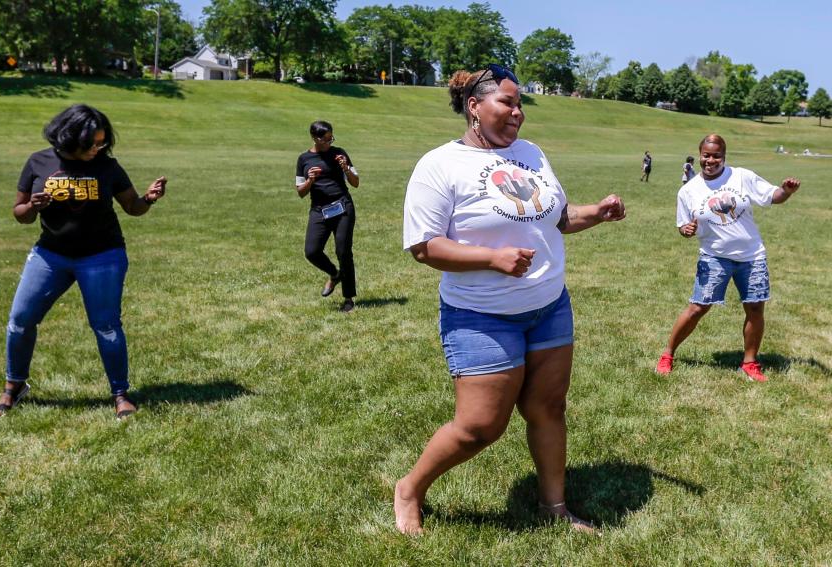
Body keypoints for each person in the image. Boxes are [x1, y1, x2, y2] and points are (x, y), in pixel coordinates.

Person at [396, 64, 626, 536]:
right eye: (507, 102)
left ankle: (554, 507)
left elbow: (559, 218)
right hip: (481, 315)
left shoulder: (532, 154)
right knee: (480, 426)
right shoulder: (439, 165)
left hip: (548, 307)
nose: (518, 112)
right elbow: (424, 247)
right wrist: (491, 258)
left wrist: (596, 214)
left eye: (520, 104)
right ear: (474, 106)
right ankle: (410, 488)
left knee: (549, 409)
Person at [0, 104, 167, 420]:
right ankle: (13, 386)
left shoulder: (107, 167)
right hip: (50, 255)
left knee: (106, 326)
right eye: (91, 143)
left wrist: (149, 199)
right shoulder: (38, 162)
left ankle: (120, 394)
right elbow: (20, 215)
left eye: (101, 142)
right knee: (20, 319)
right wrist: (33, 204)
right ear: (69, 137)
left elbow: (132, 207)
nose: (97, 148)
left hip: (102, 256)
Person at [655, 134, 800, 382]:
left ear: (724, 156)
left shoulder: (741, 176)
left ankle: (750, 362)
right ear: (699, 154)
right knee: (698, 307)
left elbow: (772, 196)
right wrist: (686, 231)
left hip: (751, 255)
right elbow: (683, 226)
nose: (711, 160)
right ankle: (668, 354)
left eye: (716, 156)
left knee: (755, 308)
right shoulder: (688, 190)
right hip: (714, 256)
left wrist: (786, 191)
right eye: (706, 155)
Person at [295, 120, 360, 313]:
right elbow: (300, 192)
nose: (330, 142)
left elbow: (356, 183)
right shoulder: (304, 159)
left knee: (343, 251)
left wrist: (346, 169)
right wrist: (310, 180)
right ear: (315, 138)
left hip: (343, 207)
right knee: (311, 251)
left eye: (332, 138)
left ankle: (348, 298)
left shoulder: (339, 153)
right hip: (319, 210)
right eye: (326, 139)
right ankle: (334, 274)